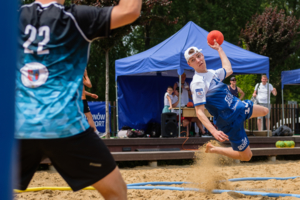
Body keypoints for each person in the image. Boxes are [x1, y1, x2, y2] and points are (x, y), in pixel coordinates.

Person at [16, 0, 141, 199]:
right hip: (62, 124)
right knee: (116, 190)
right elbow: (130, 10)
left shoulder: (13, 16)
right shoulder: (74, 17)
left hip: (18, 125)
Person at [185, 41, 269, 161]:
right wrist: (214, 131)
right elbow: (199, 112)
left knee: (265, 110)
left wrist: (219, 49)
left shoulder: (212, 73)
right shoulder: (198, 82)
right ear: (189, 64)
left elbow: (228, 69)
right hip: (228, 121)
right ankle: (214, 149)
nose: (198, 60)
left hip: (238, 107)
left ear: (202, 56)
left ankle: (241, 121)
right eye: (193, 59)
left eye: (198, 56)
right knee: (247, 157)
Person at [82, 69, 105, 136]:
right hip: (81, 100)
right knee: (89, 116)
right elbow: (89, 85)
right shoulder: (79, 76)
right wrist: (86, 76)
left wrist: (91, 94)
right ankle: (95, 133)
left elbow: (82, 91)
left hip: (78, 100)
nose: (85, 70)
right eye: (85, 70)